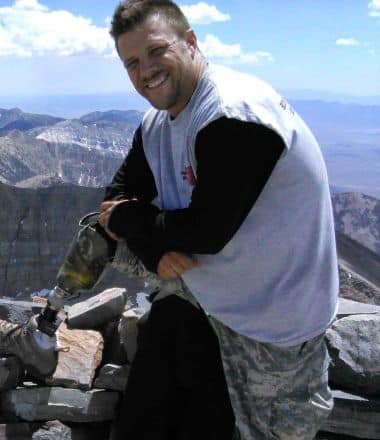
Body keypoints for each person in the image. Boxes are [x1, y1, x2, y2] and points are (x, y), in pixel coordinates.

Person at [98, 0, 338, 439]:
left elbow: (207, 233)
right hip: (213, 294)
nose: (145, 70)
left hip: (274, 320)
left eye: (156, 51)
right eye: (131, 62)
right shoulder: (157, 124)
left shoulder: (233, 114)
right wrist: (154, 251)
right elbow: (115, 199)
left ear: (190, 42)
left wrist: (136, 223)